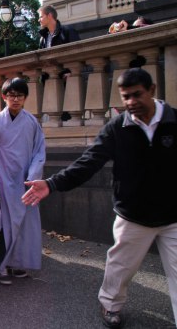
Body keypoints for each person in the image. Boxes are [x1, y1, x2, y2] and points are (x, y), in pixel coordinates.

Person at [22, 68, 177, 328]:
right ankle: (110, 305)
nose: (130, 103)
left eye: (136, 95)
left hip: (173, 215)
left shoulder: (174, 121)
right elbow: (89, 162)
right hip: (133, 215)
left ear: (152, 91)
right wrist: (52, 183)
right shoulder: (117, 127)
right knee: (120, 267)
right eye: (125, 97)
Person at [0, 78, 46, 285]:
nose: (15, 99)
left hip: (26, 181)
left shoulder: (32, 122)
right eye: (11, 95)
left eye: (20, 95)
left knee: (24, 223)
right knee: (5, 223)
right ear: (4, 97)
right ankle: (0, 265)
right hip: (2, 180)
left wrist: (32, 175)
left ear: (25, 98)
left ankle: (16, 264)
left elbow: (39, 152)